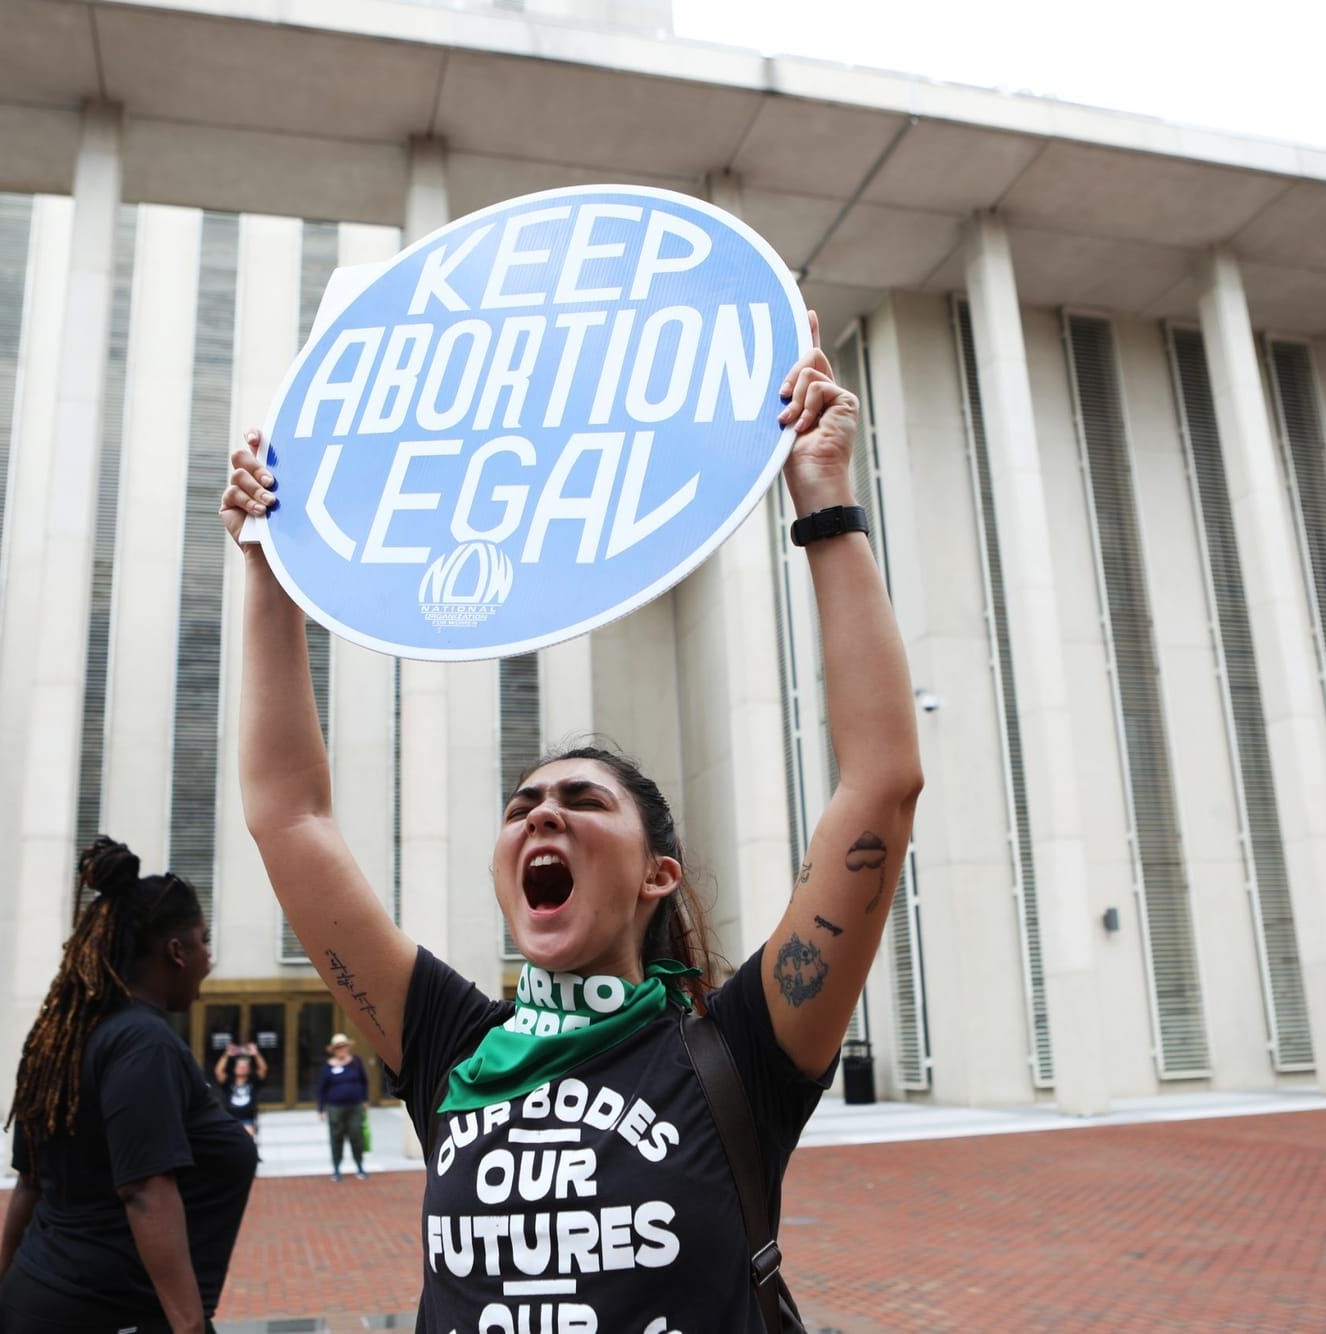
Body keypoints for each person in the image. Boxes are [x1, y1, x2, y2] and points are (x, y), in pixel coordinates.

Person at [219, 313, 921, 1329]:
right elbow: (287, 815)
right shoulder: (450, 1045)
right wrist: (267, 568)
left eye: (581, 799)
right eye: (521, 804)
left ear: (656, 874)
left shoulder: (739, 1051)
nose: (539, 809)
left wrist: (822, 496)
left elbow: (880, 784)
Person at [0, 837, 258, 1334]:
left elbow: (29, 1182)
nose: (209, 958)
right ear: (177, 951)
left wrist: (3, 1285)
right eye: (203, 939)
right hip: (110, 1314)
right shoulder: (143, 1043)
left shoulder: (59, 1041)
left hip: (32, 1299)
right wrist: (191, 1327)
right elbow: (146, 1192)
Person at [316, 1032, 370, 1180]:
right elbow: (321, 1089)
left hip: (355, 1106)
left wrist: (365, 1100)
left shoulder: (356, 1062)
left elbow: (364, 1082)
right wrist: (321, 1108)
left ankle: (359, 1166)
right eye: (338, 1047)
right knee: (336, 1138)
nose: (341, 1050)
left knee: (356, 1136)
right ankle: (336, 1168)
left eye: (344, 1046)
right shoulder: (327, 1067)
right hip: (335, 1108)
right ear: (333, 1050)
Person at [213, 1043, 269, 1139]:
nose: (242, 1068)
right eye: (239, 1066)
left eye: (245, 1066)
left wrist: (256, 1054)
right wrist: (226, 1055)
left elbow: (263, 1069)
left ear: (249, 1069)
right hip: (229, 1119)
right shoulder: (228, 1081)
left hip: (247, 1120)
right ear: (234, 1068)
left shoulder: (253, 1081)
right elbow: (218, 1072)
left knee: (247, 1136)